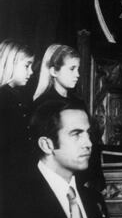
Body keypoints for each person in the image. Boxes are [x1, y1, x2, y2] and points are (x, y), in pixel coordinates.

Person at [33, 44, 105, 191]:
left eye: (78, 69)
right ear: (53, 71)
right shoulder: (43, 104)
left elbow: (92, 143)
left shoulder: (78, 102)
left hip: (85, 177)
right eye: (72, 69)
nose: (77, 74)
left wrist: (96, 177)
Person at [0, 40, 34, 191]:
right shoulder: (5, 99)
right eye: (27, 65)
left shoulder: (17, 97)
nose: (31, 72)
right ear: (10, 63)